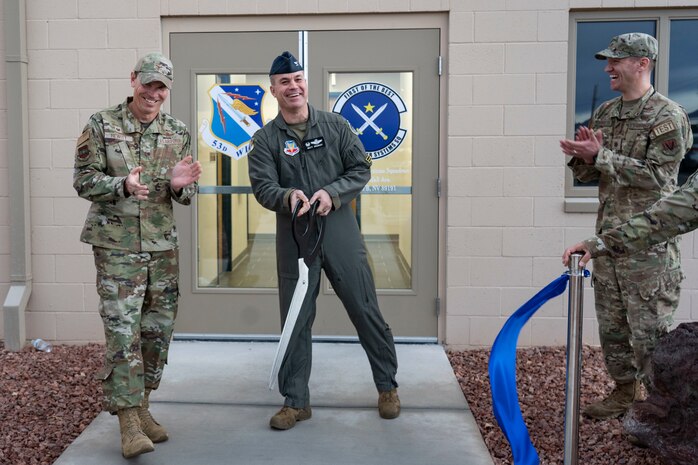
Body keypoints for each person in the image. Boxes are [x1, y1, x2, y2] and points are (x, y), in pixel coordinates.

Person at [248, 51, 400, 430]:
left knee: (364, 306)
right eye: (284, 82)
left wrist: (332, 193)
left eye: (297, 79)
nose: (293, 86)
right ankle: (296, 400)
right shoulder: (265, 139)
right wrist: (288, 197)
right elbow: (263, 186)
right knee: (296, 317)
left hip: (338, 228)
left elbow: (360, 167)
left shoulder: (335, 126)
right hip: (295, 233)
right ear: (273, 89)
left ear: (305, 83)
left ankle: (387, 386)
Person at [73, 52, 202, 458]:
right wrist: (121, 187)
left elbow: (186, 192)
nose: (154, 92)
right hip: (117, 247)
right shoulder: (101, 124)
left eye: (161, 86)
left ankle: (143, 405)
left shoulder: (177, 131)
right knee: (123, 333)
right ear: (134, 80)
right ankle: (128, 423)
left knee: (157, 331)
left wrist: (181, 186)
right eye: (148, 83)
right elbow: (83, 180)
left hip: (163, 247)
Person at [559, 33, 692, 420]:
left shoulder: (668, 116)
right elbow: (592, 170)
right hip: (608, 242)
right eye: (608, 61)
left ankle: (661, 408)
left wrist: (603, 156)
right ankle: (624, 391)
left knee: (650, 334)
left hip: (648, 250)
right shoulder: (606, 113)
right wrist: (583, 157)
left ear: (642, 63)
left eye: (616, 61)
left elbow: (657, 179)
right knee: (613, 330)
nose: (608, 68)